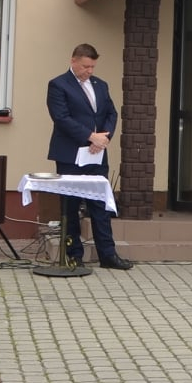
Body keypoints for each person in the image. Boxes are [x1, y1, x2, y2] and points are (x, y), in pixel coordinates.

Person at [47, 43, 134, 269]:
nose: (89, 71)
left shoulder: (100, 85)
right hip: (71, 155)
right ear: (73, 60)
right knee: (71, 206)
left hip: (97, 155)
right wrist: (90, 136)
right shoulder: (59, 85)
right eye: (85, 66)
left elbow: (111, 113)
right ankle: (73, 254)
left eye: (93, 67)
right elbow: (61, 118)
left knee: (100, 205)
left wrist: (104, 137)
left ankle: (108, 255)